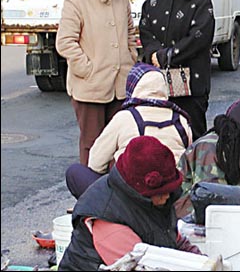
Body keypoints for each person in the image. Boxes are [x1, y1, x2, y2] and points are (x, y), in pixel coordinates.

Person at [58, 136, 201, 271]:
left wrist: (204, 262)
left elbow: (176, 241)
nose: (166, 197)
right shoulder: (110, 219)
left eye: (168, 190)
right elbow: (137, 266)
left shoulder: (156, 202)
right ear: (140, 191)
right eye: (160, 193)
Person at [56, 0, 138, 165]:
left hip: (120, 87)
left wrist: (130, 59)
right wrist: (87, 69)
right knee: (92, 145)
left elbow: (130, 33)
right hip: (89, 88)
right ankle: (90, 193)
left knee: (120, 145)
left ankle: (115, 194)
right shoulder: (76, 1)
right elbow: (65, 42)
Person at [65, 62, 193, 199]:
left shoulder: (124, 118)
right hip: (173, 195)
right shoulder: (181, 119)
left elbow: (96, 163)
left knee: (74, 173)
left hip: (132, 199)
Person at [139, 0, 215, 141]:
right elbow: (145, 29)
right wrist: (154, 53)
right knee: (157, 134)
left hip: (191, 84)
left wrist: (167, 55)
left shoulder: (201, 2)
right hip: (157, 82)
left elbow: (198, 39)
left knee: (192, 135)